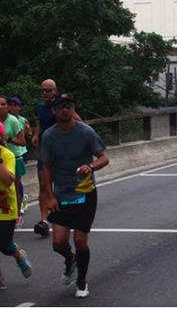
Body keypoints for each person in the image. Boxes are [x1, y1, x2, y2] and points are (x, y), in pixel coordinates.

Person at [39, 92, 109, 298]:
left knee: (80, 240)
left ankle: (81, 282)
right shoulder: (49, 136)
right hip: (61, 196)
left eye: (68, 106)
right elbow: (46, 168)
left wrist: (90, 166)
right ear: (53, 110)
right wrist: (49, 196)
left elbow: (104, 157)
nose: (64, 110)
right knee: (58, 243)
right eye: (60, 106)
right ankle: (70, 260)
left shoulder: (86, 132)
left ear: (73, 108)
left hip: (85, 194)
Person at [31, 79, 81, 237]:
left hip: (62, 152)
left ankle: (69, 214)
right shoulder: (40, 107)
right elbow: (39, 122)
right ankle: (44, 220)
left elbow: (78, 121)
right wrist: (37, 134)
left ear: (55, 90)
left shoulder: (62, 106)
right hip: (45, 151)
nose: (45, 94)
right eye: (43, 91)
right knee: (43, 184)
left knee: (64, 183)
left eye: (48, 91)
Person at [0, 122, 32, 290]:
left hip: (5, 207)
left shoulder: (8, 155)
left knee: (5, 246)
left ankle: (19, 257)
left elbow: (7, 180)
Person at [0, 97, 27, 228]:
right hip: (1, 158)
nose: (1, 107)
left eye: (3, 104)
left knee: (14, 188)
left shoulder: (13, 121)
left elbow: (22, 141)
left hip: (14, 157)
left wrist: (8, 138)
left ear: (7, 107)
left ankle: (17, 215)